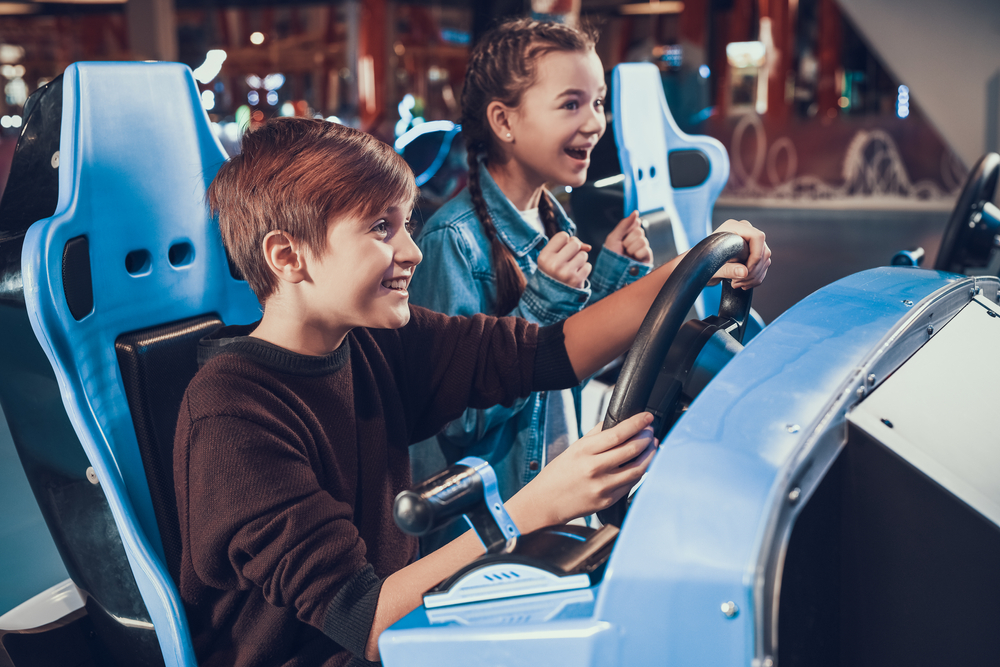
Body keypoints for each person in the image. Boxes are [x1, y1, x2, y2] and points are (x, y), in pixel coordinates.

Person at [173, 117, 769, 667]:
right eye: (382, 228)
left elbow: (551, 353)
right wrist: (538, 506)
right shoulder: (233, 414)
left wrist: (695, 266)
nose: (410, 249)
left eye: (405, 224)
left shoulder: (372, 341)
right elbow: (366, 620)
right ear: (288, 255)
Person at [408, 19, 653, 550]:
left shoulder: (551, 219)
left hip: (548, 511)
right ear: (504, 120)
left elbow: (565, 367)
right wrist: (545, 301)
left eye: (599, 102)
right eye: (571, 104)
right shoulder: (452, 243)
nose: (595, 123)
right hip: (485, 542)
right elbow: (454, 420)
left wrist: (609, 275)